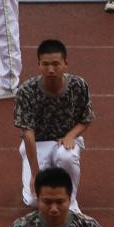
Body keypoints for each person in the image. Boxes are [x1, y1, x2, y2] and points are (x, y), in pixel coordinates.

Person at [13, 40, 95, 212]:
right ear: (38, 64)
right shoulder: (26, 91)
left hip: (65, 141)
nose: (51, 69)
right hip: (37, 143)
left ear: (66, 64)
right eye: (45, 64)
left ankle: (70, 204)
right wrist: (36, 174)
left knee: (66, 157)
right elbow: (27, 133)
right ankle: (41, 172)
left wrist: (70, 135)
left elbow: (86, 118)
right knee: (33, 201)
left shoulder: (78, 85)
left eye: (56, 64)